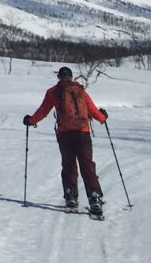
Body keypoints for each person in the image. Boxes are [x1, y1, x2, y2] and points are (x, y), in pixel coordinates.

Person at [24, 66, 109, 214]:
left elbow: (43, 110)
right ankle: (94, 197)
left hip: (65, 134)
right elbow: (92, 109)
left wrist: (31, 121)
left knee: (69, 165)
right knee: (87, 165)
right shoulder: (80, 90)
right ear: (71, 77)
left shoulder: (53, 92)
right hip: (83, 134)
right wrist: (102, 118)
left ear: (59, 77)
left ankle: (71, 196)